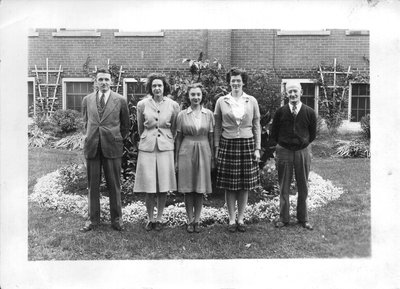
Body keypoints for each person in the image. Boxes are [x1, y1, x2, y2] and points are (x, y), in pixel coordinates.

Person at [80, 68, 130, 232]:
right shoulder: (87, 100)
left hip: (112, 146)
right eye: (100, 79)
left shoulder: (120, 100)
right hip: (92, 146)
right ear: (96, 81)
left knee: (114, 184)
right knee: (92, 185)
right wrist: (90, 137)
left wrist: (115, 137)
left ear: (112, 81)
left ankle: (117, 219)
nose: (103, 83)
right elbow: (85, 122)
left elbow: (125, 126)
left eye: (106, 80)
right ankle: (93, 220)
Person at [214, 67, 261, 233]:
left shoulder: (251, 101)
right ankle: (232, 219)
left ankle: (241, 218)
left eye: (238, 80)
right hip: (228, 144)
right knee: (230, 185)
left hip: (247, 144)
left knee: (244, 185)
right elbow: (217, 126)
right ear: (229, 82)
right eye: (233, 80)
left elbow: (256, 125)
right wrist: (217, 148)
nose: (235, 83)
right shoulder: (221, 101)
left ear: (243, 82)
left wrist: (257, 148)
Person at [133, 73, 180, 231]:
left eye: (159, 85)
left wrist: (167, 138)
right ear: (150, 88)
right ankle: (150, 218)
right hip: (147, 147)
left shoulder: (173, 105)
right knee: (149, 185)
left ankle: (159, 218)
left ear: (164, 87)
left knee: (163, 185)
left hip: (165, 147)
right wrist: (147, 137)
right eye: (154, 86)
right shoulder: (142, 104)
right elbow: (140, 127)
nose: (157, 88)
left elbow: (174, 127)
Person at [270, 80, 317, 230]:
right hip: (284, 151)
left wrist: (302, 144)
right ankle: (284, 218)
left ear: (301, 93)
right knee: (284, 185)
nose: (292, 94)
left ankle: (303, 218)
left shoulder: (309, 112)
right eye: (289, 91)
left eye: (295, 91)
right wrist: (283, 145)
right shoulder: (280, 112)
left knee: (303, 185)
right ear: (286, 94)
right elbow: (274, 133)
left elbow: (313, 134)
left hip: (303, 151)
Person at [175, 83, 215, 233]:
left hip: (204, 149)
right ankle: (189, 219)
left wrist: (212, 158)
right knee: (188, 187)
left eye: (198, 94)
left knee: (200, 187)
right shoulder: (182, 115)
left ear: (202, 96)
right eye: (193, 94)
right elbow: (178, 138)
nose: (196, 97)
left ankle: (197, 220)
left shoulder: (209, 114)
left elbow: (211, 137)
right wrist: (176, 159)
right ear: (188, 96)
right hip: (186, 149)